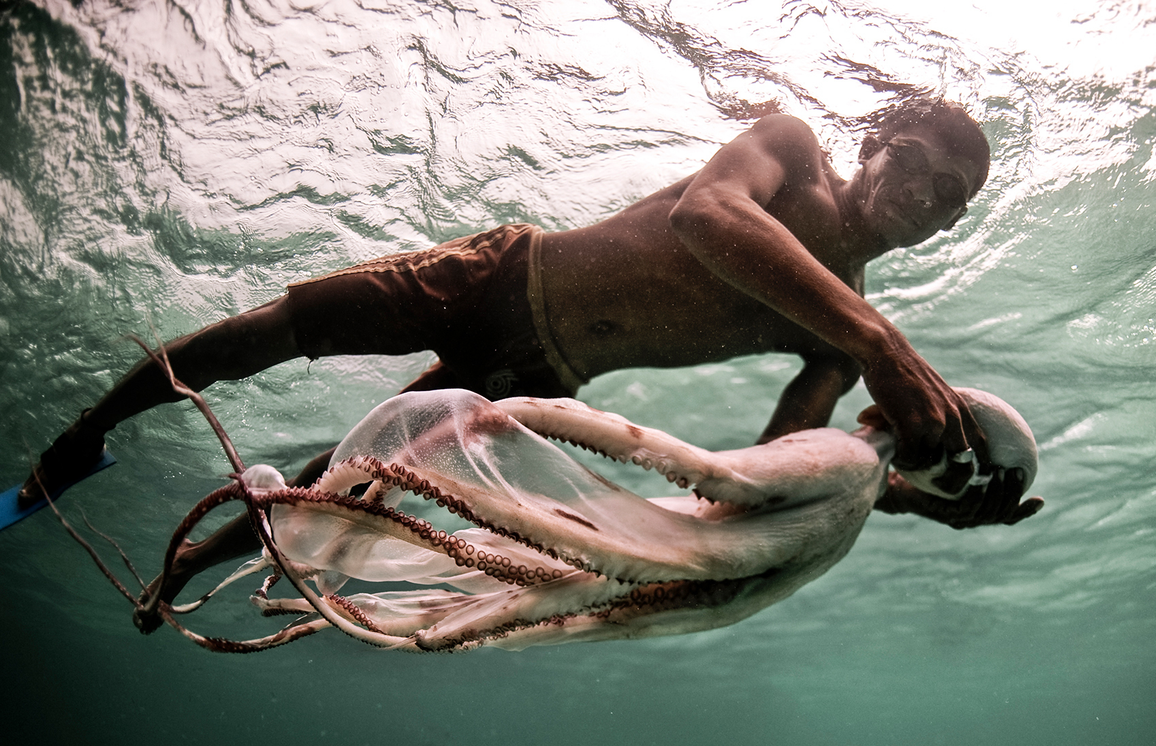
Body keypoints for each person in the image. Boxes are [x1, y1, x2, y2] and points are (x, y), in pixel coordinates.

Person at [21, 98, 1039, 601]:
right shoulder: (792, 148)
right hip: (505, 273)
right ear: (873, 145)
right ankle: (87, 434)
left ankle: (191, 563)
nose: (929, 206)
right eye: (919, 170)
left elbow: (754, 484)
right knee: (274, 334)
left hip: (542, 370)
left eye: (955, 202)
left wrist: (898, 494)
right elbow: (705, 213)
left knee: (350, 476)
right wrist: (880, 341)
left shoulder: (842, 334)